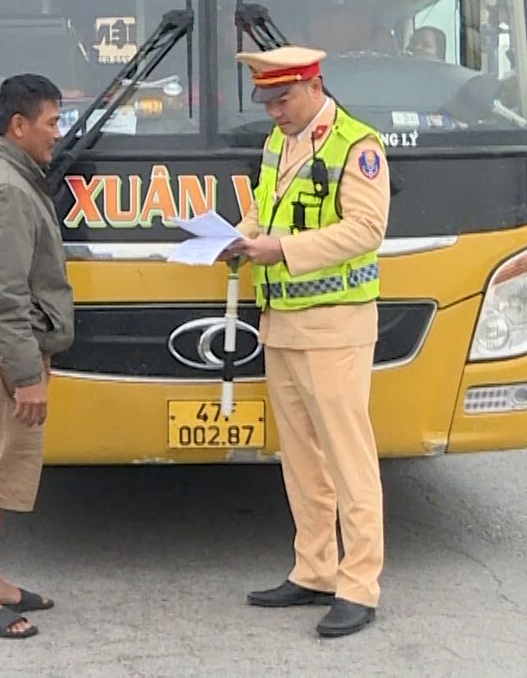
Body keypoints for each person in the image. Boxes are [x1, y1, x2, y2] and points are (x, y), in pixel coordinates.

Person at [227, 45, 390, 639]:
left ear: (314, 85)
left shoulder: (357, 145)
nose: (273, 111)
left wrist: (282, 252)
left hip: (335, 326)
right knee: (299, 461)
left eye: (283, 98)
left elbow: (367, 230)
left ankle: (359, 585)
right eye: (265, 101)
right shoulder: (281, 143)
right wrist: (239, 237)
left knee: (350, 460)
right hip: (283, 324)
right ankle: (315, 568)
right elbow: (267, 215)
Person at [0, 74, 75, 640]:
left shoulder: (16, 177)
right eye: (51, 123)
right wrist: (27, 377)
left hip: (8, 353)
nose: (58, 134)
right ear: (18, 126)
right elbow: (5, 299)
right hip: (5, 357)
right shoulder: (6, 190)